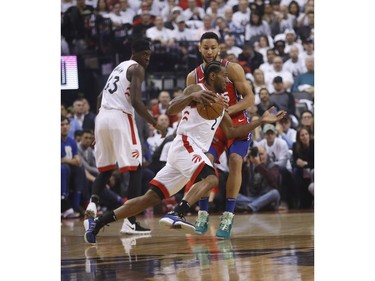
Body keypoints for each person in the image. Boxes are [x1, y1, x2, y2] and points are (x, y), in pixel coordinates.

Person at [84, 61, 287, 244]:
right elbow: (172, 108)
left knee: (149, 198)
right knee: (211, 179)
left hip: (187, 154)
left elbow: (232, 131)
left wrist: (260, 121)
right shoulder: (196, 88)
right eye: (225, 76)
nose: (228, 80)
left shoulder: (219, 104)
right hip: (185, 145)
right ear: (213, 76)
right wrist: (191, 96)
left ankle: (98, 223)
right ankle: (178, 213)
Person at [83, 39, 168, 235]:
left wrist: (100, 127)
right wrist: (155, 123)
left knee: (106, 169)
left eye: (149, 55)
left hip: (102, 117)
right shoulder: (137, 69)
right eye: (144, 54)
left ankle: (93, 204)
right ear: (134, 53)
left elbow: (98, 98)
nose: (147, 58)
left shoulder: (118, 68)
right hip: (120, 117)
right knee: (136, 168)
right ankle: (130, 221)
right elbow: (136, 102)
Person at [185, 32, 257, 239]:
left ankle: (228, 216)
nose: (209, 52)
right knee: (204, 163)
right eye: (205, 47)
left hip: (236, 122)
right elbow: (190, 105)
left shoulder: (232, 68)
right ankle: (203, 213)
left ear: (219, 48)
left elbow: (250, 98)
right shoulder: (193, 76)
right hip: (211, 126)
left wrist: (226, 110)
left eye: (213, 47)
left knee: (235, 160)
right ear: (199, 48)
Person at [236, 145, 281, 212]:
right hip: (252, 198)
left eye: (261, 154)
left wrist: (258, 165)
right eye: (256, 155)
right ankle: (256, 206)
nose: (259, 157)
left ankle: (250, 206)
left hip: (267, 197)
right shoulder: (249, 166)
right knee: (234, 196)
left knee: (275, 193)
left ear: (267, 154)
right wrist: (243, 162)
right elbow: (238, 178)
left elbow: (272, 179)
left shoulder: (273, 166)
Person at [292, 126, 314, 208]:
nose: (305, 137)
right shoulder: (295, 146)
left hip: (312, 169)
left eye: (306, 134)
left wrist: (306, 163)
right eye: (302, 135)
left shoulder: (314, 144)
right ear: (299, 138)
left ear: (309, 135)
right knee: (296, 172)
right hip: (301, 171)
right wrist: (298, 163)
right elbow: (294, 162)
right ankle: (300, 201)